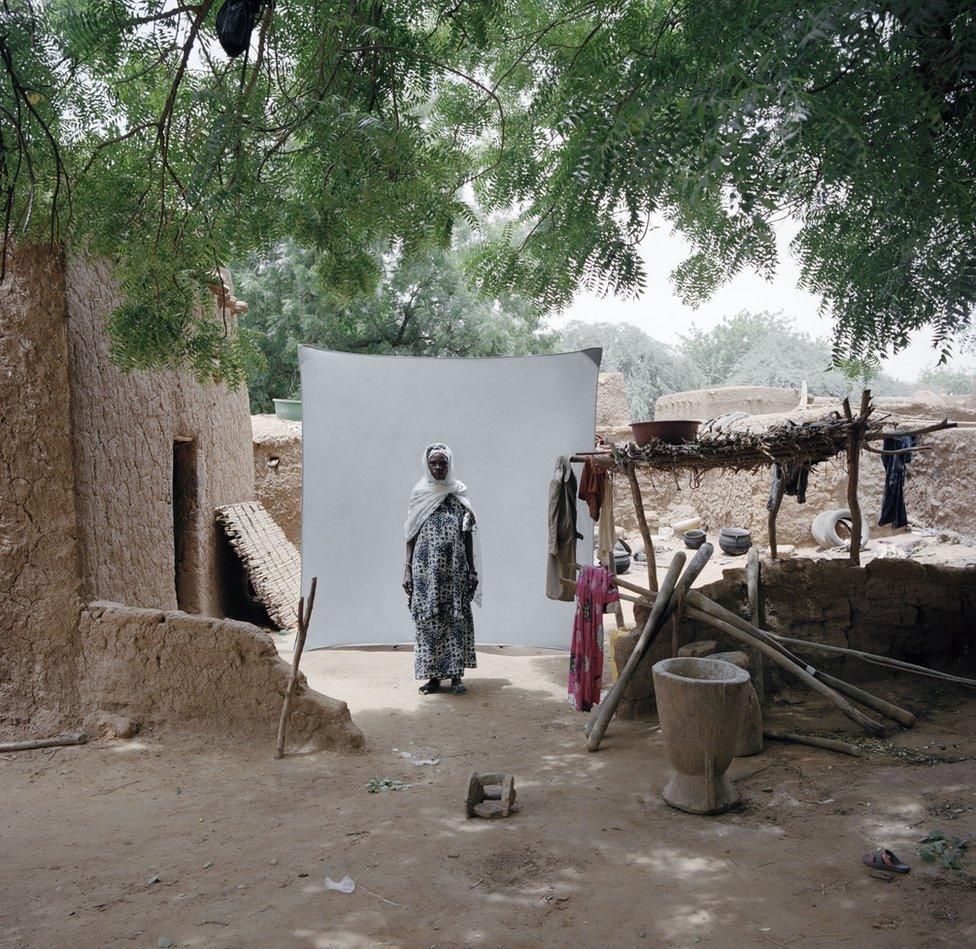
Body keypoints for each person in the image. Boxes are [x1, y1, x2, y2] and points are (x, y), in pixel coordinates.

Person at [403, 443, 480, 695]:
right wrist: (406, 570)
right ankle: (433, 678)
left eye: (442, 463)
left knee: (455, 619)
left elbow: (468, 534)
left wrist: (472, 569)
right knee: (430, 620)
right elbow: (410, 534)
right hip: (425, 571)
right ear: (427, 465)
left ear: (449, 464)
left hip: (455, 569)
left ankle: (456, 676)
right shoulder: (420, 494)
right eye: (433, 463)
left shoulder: (458, 494)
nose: (438, 467)